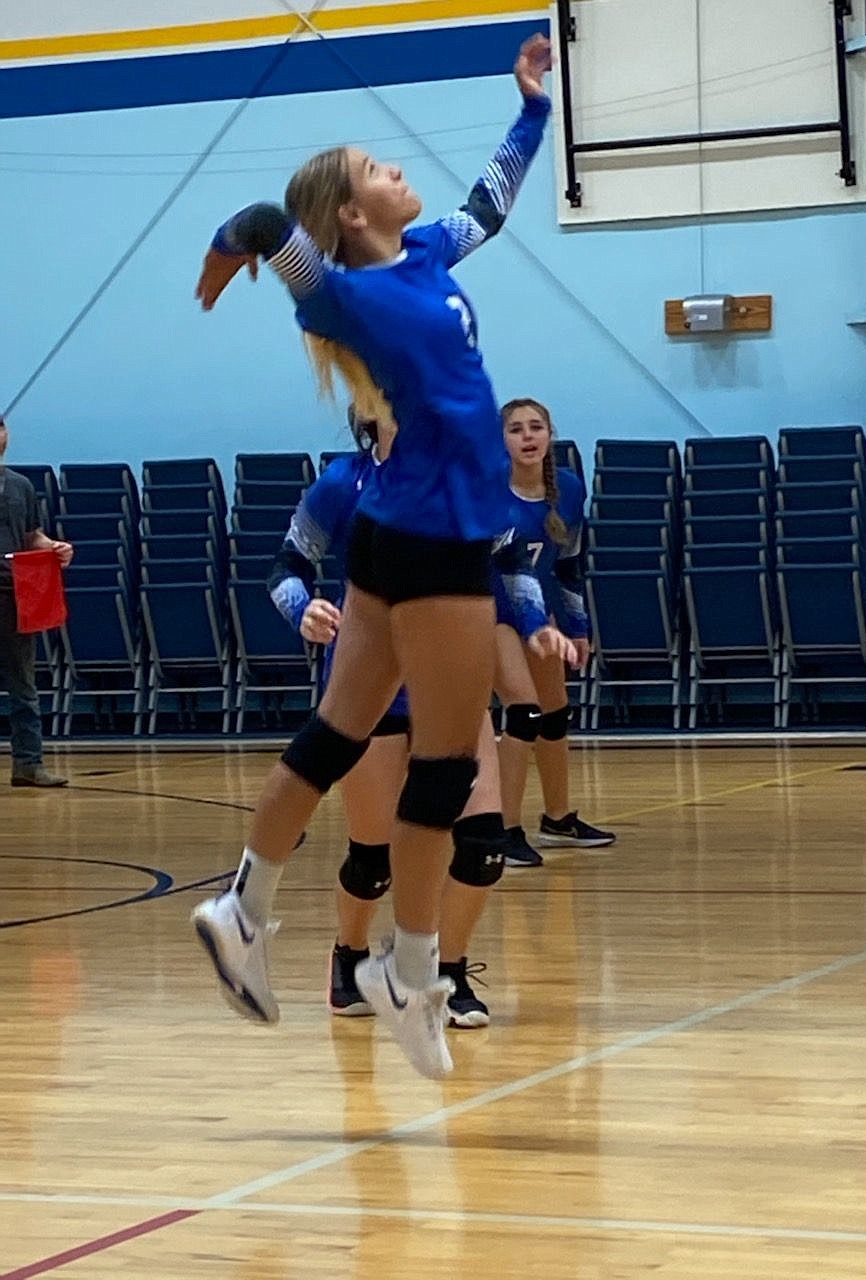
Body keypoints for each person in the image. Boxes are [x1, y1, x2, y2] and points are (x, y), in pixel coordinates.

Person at [191, 35, 557, 1078]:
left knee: (333, 733)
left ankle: (244, 903)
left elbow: (490, 202)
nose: (398, 171)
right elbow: (271, 223)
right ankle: (405, 967)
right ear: (352, 215)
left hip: (396, 531)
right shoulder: (346, 297)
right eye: (376, 170)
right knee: (443, 768)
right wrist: (236, 243)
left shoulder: (431, 250)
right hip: (436, 539)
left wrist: (530, 110)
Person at [269, 408, 567, 1026]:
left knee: (482, 846)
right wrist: (302, 610)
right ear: (368, 413)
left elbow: (511, 564)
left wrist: (537, 626)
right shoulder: (342, 485)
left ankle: (447, 971)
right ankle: (349, 955)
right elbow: (287, 567)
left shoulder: (468, 481)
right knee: (373, 858)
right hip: (372, 695)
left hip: (455, 687)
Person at [495, 398, 615, 864]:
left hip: (538, 614)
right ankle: (501, 830)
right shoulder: (490, 494)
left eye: (536, 427)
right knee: (522, 711)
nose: (527, 436)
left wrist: (577, 625)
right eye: (516, 429)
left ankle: (558, 818)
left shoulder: (567, 489)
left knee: (554, 714)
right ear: (501, 441)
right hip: (490, 612)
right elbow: (507, 569)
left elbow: (568, 563)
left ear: (549, 434)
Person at [0, 416, 72, 788]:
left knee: (23, 685)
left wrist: (54, 548)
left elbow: (32, 535)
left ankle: (28, 763)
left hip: (12, 595)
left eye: (1, 427)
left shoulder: (20, 486)